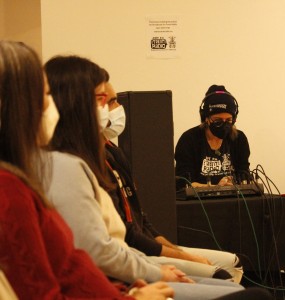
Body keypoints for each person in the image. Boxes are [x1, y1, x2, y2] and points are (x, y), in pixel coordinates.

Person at [44, 55, 245, 299]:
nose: (113, 109)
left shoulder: (109, 153)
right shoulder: (68, 165)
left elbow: (136, 224)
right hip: (120, 279)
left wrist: (169, 258)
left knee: (232, 276)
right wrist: (159, 271)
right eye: (103, 100)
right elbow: (106, 248)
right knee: (231, 287)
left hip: (131, 265)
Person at [0, 40, 174, 300]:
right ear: (20, 106)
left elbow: (72, 266)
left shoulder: (20, 179)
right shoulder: (11, 190)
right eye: (45, 96)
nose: (51, 107)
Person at [100, 75, 243, 283]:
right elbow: (128, 236)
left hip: (139, 249)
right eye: (111, 101)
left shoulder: (115, 153)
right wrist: (182, 258)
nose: (118, 107)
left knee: (234, 262)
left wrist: (175, 250)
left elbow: (141, 221)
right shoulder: (92, 162)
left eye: (229, 121)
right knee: (220, 275)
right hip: (128, 257)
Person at [175, 85, 250, 188]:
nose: (224, 125)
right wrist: (217, 187)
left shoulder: (239, 139)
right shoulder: (189, 139)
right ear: (206, 118)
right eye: (218, 121)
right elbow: (184, 184)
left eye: (228, 120)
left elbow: (244, 175)